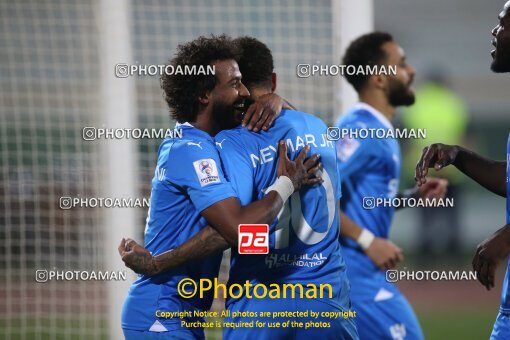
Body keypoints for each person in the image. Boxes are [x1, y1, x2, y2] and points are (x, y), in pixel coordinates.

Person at [120, 36, 359, 340]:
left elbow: (245, 235)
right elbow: (239, 231)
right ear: (205, 94)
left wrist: (277, 100)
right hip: (160, 310)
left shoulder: (220, 144)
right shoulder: (192, 150)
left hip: (208, 310)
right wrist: (286, 183)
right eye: (235, 84)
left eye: (244, 83)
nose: (244, 92)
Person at [335, 32, 447, 340]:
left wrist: (411, 196)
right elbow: (315, 194)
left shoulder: (379, 129)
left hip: (359, 275)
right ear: (379, 79)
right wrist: (369, 240)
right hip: (353, 277)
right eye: (402, 64)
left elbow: (359, 200)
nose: (411, 72)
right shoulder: (360, 129)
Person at [415, 2, 510, 338]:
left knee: (431, 227)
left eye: (503, 23)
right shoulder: (454, 103)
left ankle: (432, 265)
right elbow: (508, 178)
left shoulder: (421, 102)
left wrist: (506, 236)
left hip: (429, 180)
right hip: (448, 176)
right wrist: (458, 155)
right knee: (446, 226)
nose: (494, 31)